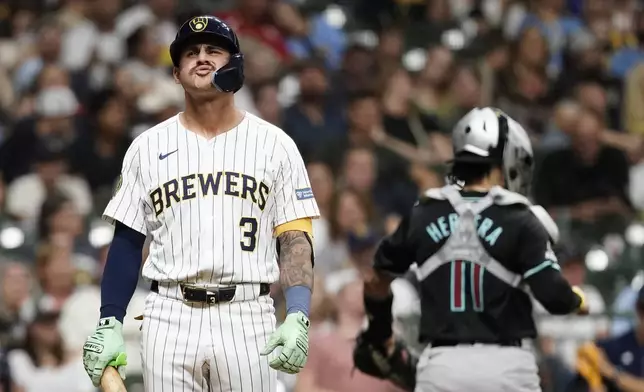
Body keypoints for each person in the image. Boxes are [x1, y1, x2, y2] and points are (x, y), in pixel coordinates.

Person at [81, 15, 320, 392]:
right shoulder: (147, 147)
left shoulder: (275, 145)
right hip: (169, 313)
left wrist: (298, 314)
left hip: (247, 311)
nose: (202, 58)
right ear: (176, 75)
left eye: (214, 50)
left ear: (235, 64)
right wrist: (110, 319)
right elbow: (127, 243)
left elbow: (294, 239)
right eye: (190, 53)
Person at [352, 107, 589, 392]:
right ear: (509, 159)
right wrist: (578, 301)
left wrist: (380, 333)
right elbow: (554, 296)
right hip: (506, 368)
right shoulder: (520, 217)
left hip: (441, 366)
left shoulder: (424, 213)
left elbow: (375, 280)